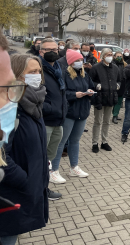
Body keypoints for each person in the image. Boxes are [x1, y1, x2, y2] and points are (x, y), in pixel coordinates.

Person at [0, 51, 49, 245]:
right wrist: (24, 180)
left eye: (39, 71)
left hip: (29, 184)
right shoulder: (8, 107)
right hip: (11, 189)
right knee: (7, 235)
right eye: (31, 71)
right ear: (16, 75)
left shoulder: (34, 103)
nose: (37, 76)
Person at [50, 50, 95, 184]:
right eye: (77, 60)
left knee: (75, 141)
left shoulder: (84, 74)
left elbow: (91, 86)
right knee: (61, 142)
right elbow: (62, 93)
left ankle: (74, 167)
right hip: (69, 113)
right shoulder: (64, 74)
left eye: (81, 60)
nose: (80, 62)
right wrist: (74, 95)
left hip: (82, 113)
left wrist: (91, 91)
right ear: (70, 62)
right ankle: (54, 171)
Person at [39, 38, 67, 200]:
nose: (52, 52)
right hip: (45, 120)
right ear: (41, 51)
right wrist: (51, 109)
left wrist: (63, 109)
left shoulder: (59, 68)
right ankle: (39, 190)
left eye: (55, 50)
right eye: (48, 50)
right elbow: (34, 96)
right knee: (40, 158)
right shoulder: (37, 69)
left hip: (59, 120)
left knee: (49, 158)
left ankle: (45, 187)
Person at [89, 48, 121, 152]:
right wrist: (96, 85)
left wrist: (118, 85)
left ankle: (104, 141)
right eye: (108, 54)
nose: (110, 56)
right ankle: (95, 143)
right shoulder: (96, 67)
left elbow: (120, 80)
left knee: (107, 121)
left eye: (111, 54)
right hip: (99, 98)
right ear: (103, 56)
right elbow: (90, 81)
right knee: (98, 121)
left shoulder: (115, 68)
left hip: (111, 97)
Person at [112, 51, 126, 124]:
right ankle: (114, 114)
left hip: (122, 84)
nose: (119, 57)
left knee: (119, 100)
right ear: (114, 57)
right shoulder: (112, 64)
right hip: (114, 84)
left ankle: (115, 115)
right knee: (114, 100)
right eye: (117, 56)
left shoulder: (123, 64)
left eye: (120, 56)